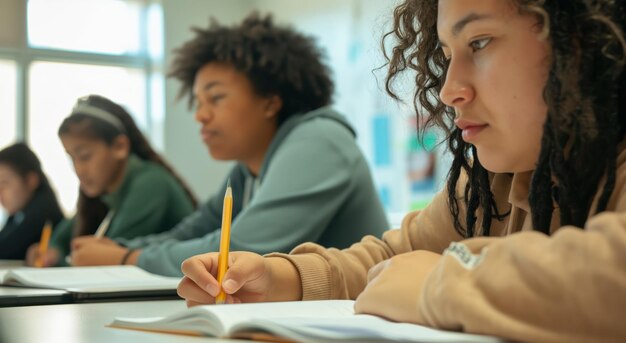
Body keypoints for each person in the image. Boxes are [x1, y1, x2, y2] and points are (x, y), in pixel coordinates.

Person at [177, 0, 626, 341]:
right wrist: (281, 279)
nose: (450, 91)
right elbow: (395, 258)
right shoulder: (493, 180)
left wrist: (440, 285)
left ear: (578, 40)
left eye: (480, 42)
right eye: (447, 54)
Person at [69, 13, 388, 277]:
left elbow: (240, 249)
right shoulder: (248, 170)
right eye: (198, 102)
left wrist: (128, 259)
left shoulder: (319, 141)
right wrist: (123, 248)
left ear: (270, 102)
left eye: (216, 98)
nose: (201, 116)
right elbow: (192, 232)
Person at [25, 95, 197, 267]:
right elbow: (57, 240)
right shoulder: (104, 192)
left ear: (119, 147)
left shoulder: (150, 183)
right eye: (72, 159)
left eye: (85, 156)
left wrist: (59, 260)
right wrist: (49, 253)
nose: (78, 170)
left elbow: (105, 258)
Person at [0, 143, 64, 260]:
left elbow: (5, 248)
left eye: (5, 183)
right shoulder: (19, 215)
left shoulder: (43, 211)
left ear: (31, 180)